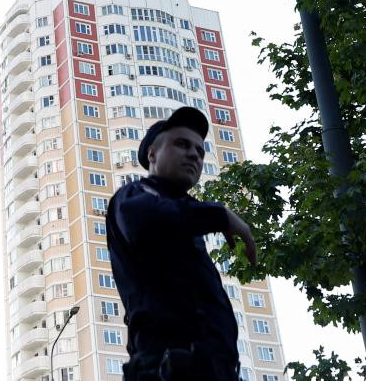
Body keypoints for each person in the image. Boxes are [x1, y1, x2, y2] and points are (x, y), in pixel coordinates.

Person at [105, 106, 258, 380]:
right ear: (152, 154)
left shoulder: (187, 216)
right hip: (167, 368)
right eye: (181, 144)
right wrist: (220, 215)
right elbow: (145, 221)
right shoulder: (135, 194)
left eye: (200, 151)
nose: (194, 154)